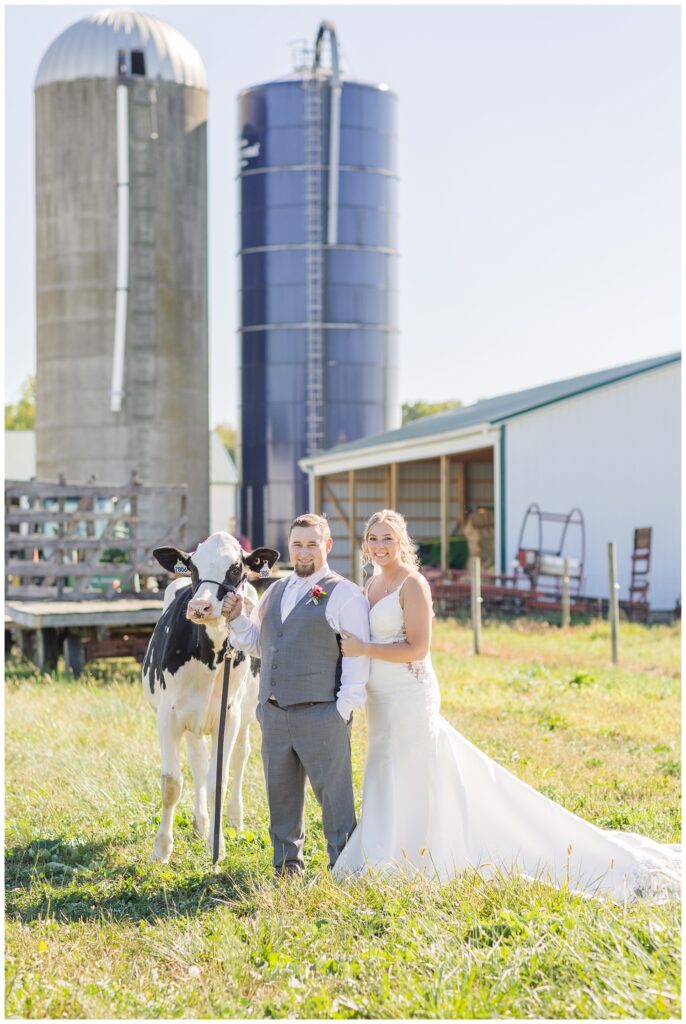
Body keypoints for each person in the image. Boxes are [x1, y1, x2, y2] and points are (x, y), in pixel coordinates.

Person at [333, 509, 680, 901]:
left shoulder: (412, 585)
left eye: (388, 539)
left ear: (402, 543)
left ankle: (422, 849)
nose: (380, 546)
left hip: (409, 695)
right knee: (384, 765)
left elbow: (418, 648)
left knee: (413, 766)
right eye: (374, 539)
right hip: (382, 699)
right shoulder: (371, 583)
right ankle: (385, 846)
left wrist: (364, 648)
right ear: (365, 544)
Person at [222, 513, 369, 875]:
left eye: (312, 544)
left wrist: (342, 710)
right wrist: (238, 618)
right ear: (289, 547)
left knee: (335, 799)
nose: (304, 553)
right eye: (297, 545)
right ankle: (287, 866)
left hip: (322, 713)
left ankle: (344, 867)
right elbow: (258, 644)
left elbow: (357, 656)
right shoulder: (276, 590)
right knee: (281, 796)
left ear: (327, 546)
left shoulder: (343, 593)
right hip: (273, 713)